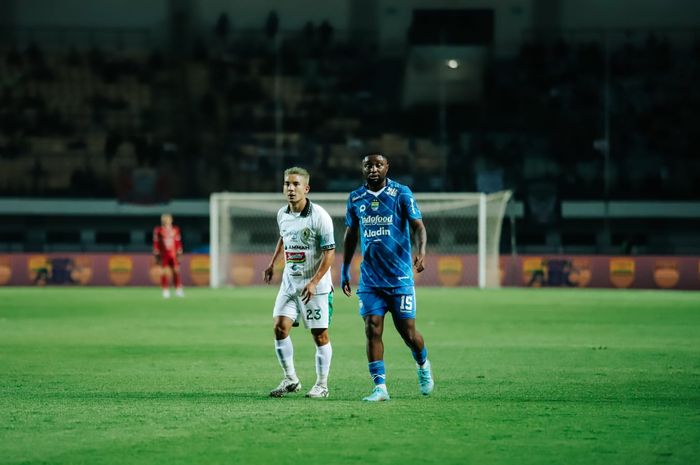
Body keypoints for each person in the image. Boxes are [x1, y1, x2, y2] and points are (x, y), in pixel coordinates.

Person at [341, 152, 434, 401]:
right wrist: (344, 269)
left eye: (378, 165)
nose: (373, 169)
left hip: (400, 278)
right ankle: (380, 387)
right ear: (362, 169)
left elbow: (418, 226)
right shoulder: (355, 198)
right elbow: (351, 235)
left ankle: (423, 365)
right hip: (370, 280)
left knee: (409, 333)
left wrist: (421, 252)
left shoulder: (401, 193)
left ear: (387, 167)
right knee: (372, 329)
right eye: (368, 165)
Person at [263, 167, 335, 398]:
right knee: (279, 327)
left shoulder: (320, 216)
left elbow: (330, 252)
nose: (290, 188)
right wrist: (273, 263)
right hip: (289, 283)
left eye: (295, 184)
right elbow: (283, 238)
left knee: (319, 335)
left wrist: (314, 282)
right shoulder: (282, 214)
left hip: (315, 287)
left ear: (306, 188)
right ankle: (291, 378)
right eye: (287, 184)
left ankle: (322, 385)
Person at [153, 213, 184, 298]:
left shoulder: (175, 229)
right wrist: (156, 250)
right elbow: (156, 242)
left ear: (171, 220)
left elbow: (178, 241)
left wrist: (180, 250)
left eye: (167, 219)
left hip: (173, 255)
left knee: (176, 271)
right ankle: (165, 290)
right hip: (164, 254)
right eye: (164, 219)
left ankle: (178, 289)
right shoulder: (158, 230)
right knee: (164, 272)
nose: (166, 220)